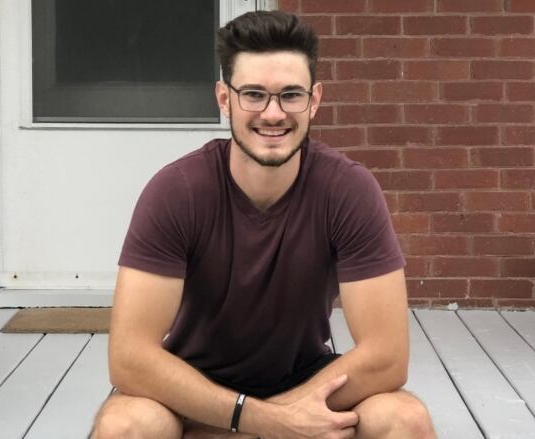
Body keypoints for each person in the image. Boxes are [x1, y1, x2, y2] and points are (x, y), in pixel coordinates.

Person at [91, 10, 435, 439]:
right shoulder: (176, 191)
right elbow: (130, 357)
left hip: (303, 384)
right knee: (126, 425)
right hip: (195, 391)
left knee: (405, 420)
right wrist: (259, 421)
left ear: (315, 99)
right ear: (223, 98)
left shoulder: (348, 190)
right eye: (253, 94)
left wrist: (283, 417)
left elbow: (386, 356)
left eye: (290, 94)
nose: (273, 114)